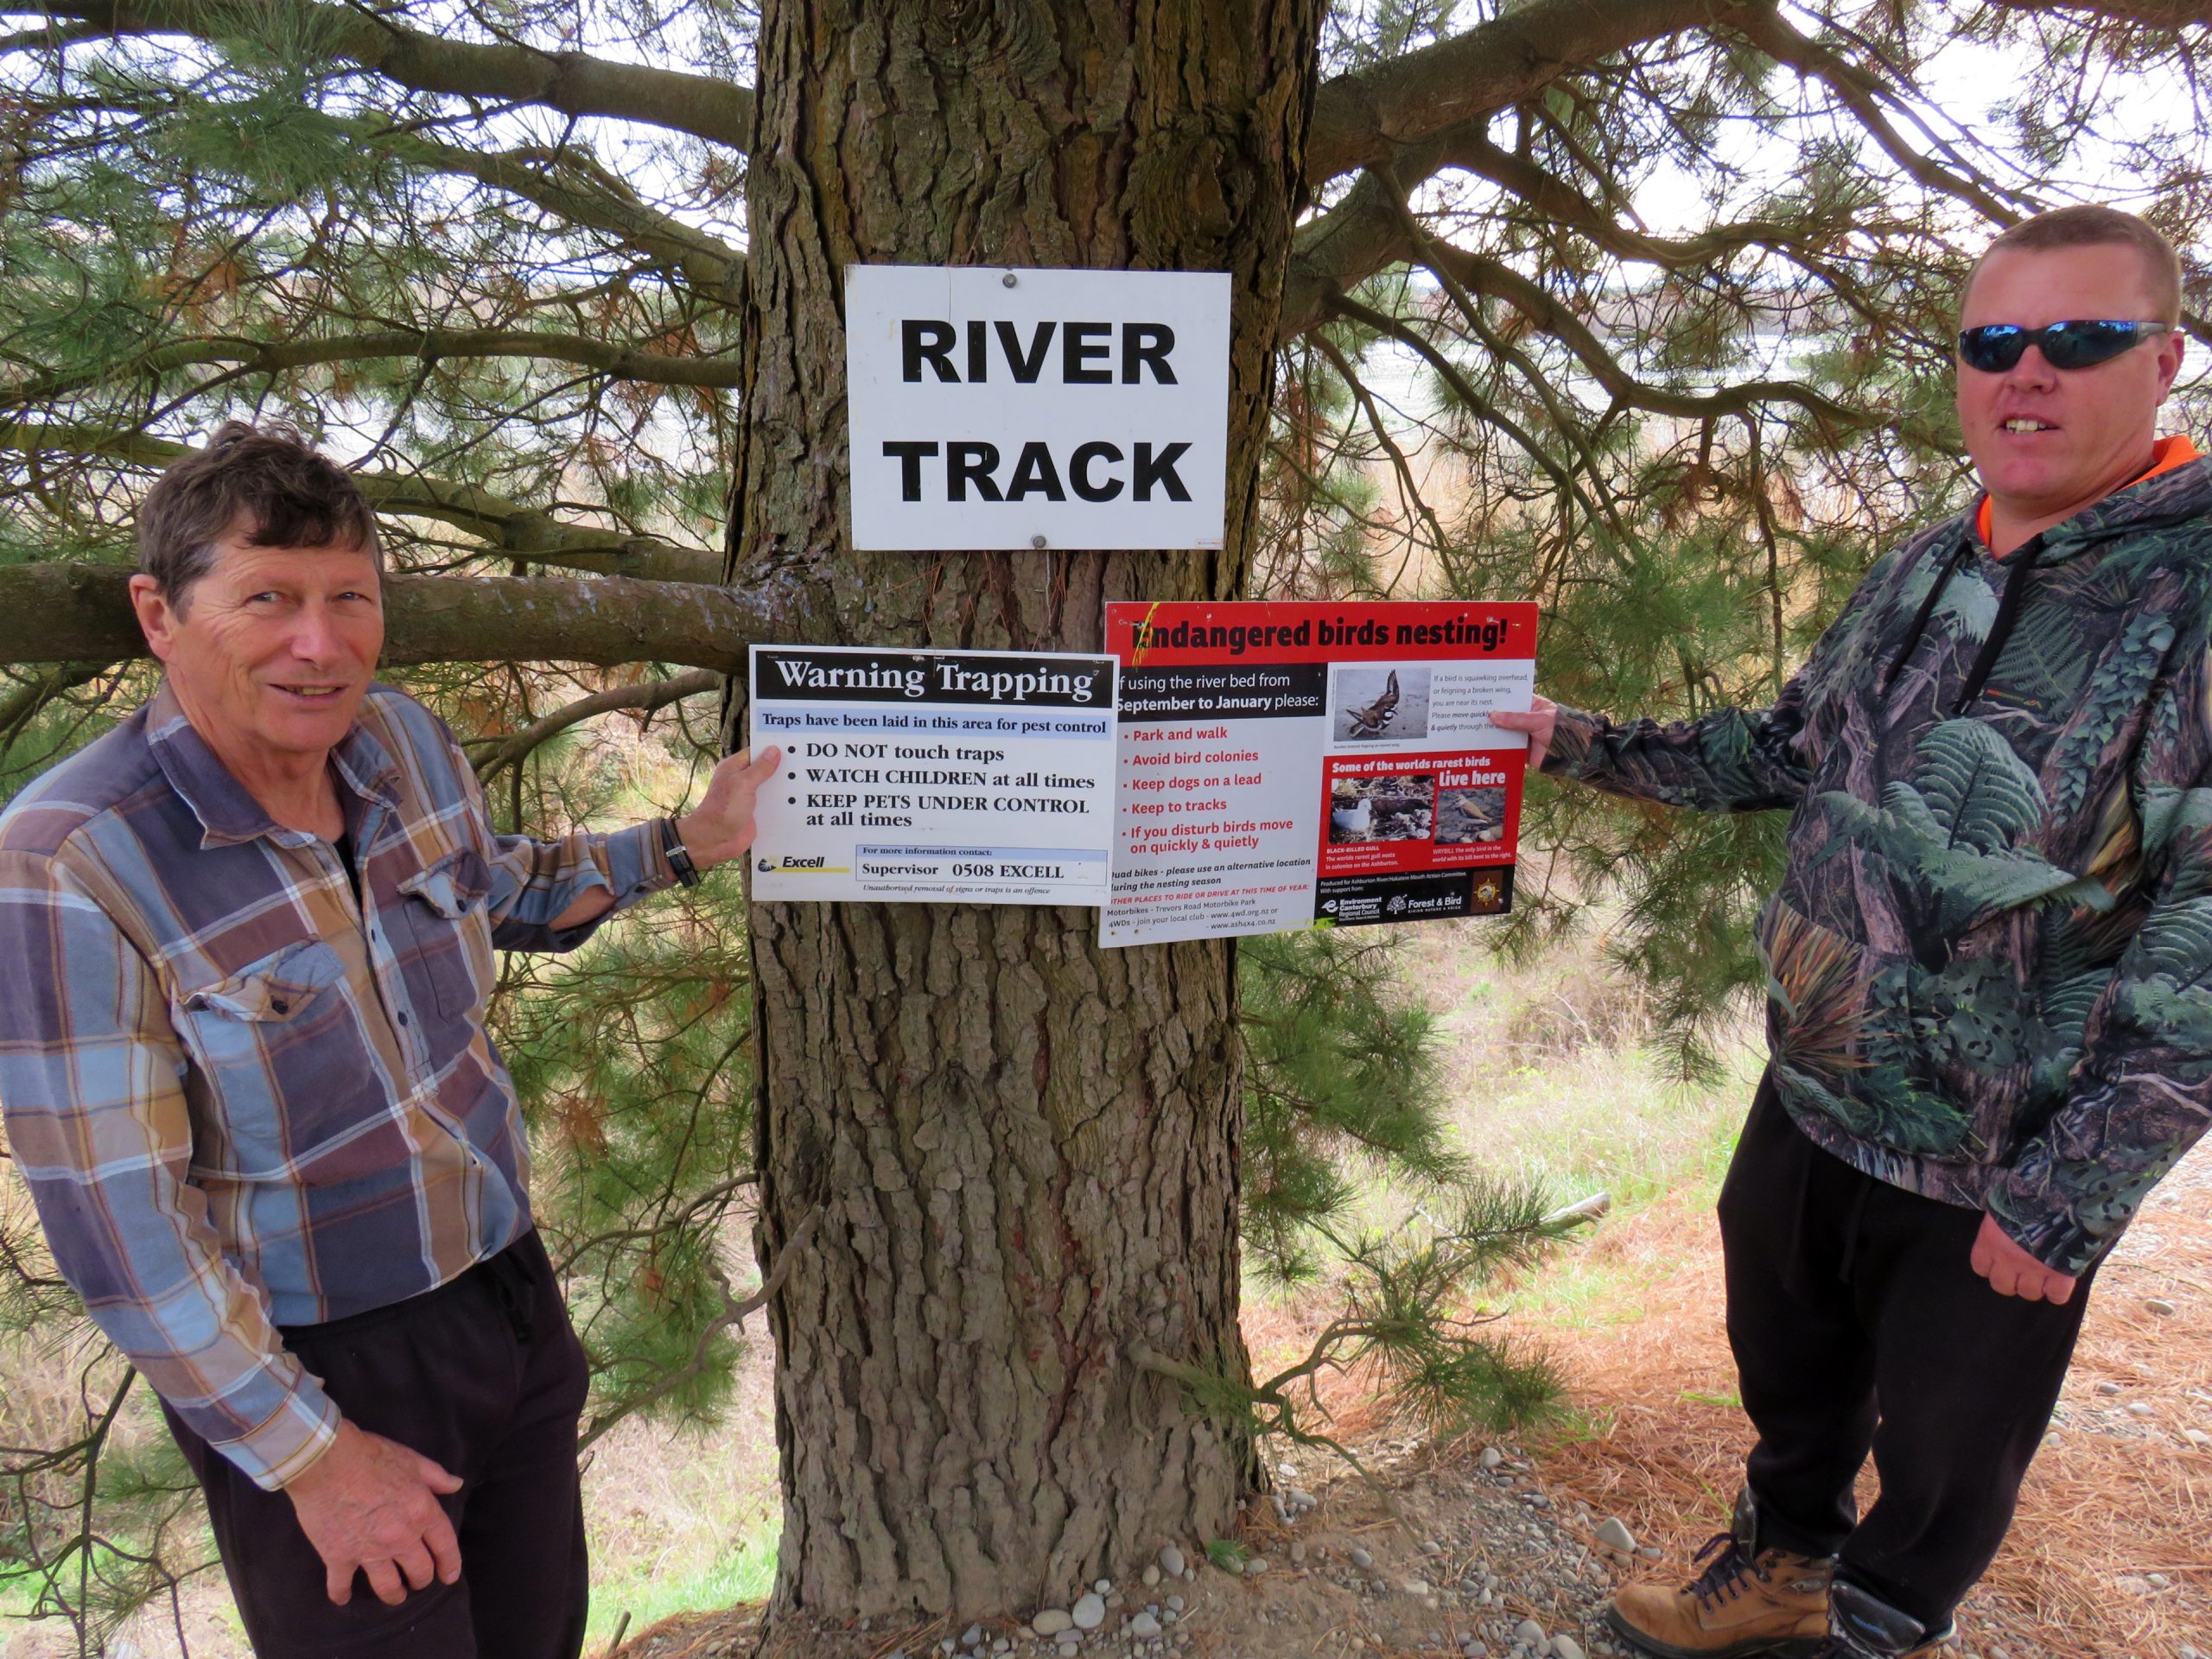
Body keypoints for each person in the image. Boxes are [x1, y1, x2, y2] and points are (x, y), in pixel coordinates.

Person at [1491, 205, 2206, 1658]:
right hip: (1815, 1090)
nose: (2029, 374)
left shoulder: (2194, 592)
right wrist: (1574, 740)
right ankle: (1781, 1569)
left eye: (2079, 340)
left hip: (2004, 1155)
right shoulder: (1928, 561)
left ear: (2167, 359)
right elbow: (1789, 746)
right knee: (1789, 1370)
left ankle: (1875, 1623)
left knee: (1948, 1450)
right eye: (1996, 342)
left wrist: (2072, 1191)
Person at [0, 423, 781, 1658]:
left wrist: (685, 841)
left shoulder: (399, 744)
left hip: (506, 1303)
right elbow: (127, 1237)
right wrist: (318, 1462)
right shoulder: (72, 863)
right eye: (267, 599)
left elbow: (499, 886)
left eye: (349, 599)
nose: (321, 644)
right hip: (323, 1373)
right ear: (160, 614)